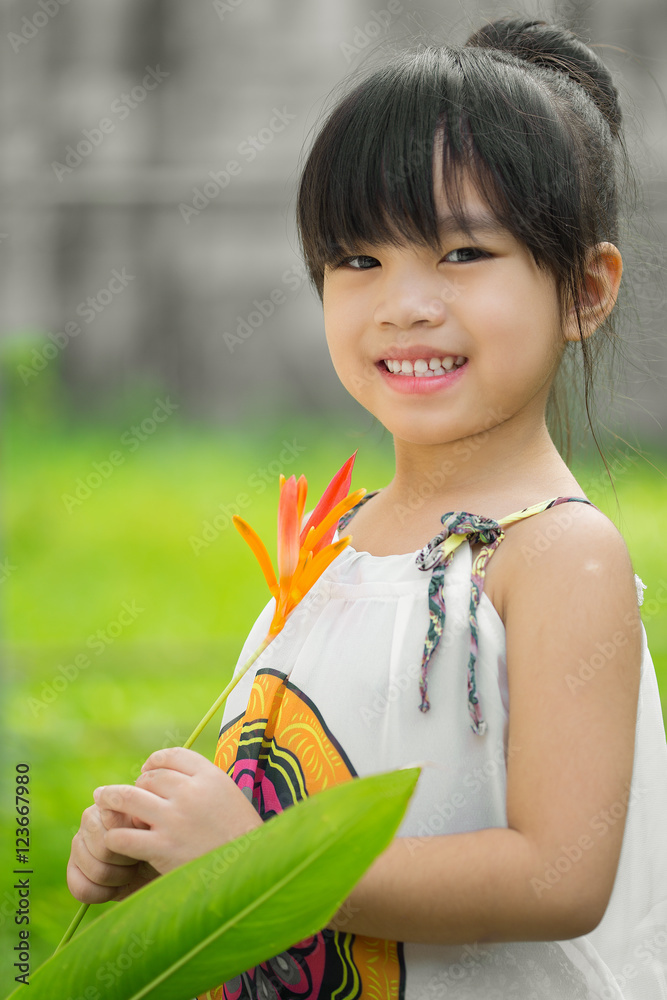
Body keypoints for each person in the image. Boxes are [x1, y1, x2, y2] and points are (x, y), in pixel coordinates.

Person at [67, 16, 667, 1000]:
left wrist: (262, 859)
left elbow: (559, 877)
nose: (403, 303)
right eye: (357, 260)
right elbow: (283, 779)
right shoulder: (335, 546)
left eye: (464, 253)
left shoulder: (558, 555)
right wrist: (161, 846)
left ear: (584, 291)